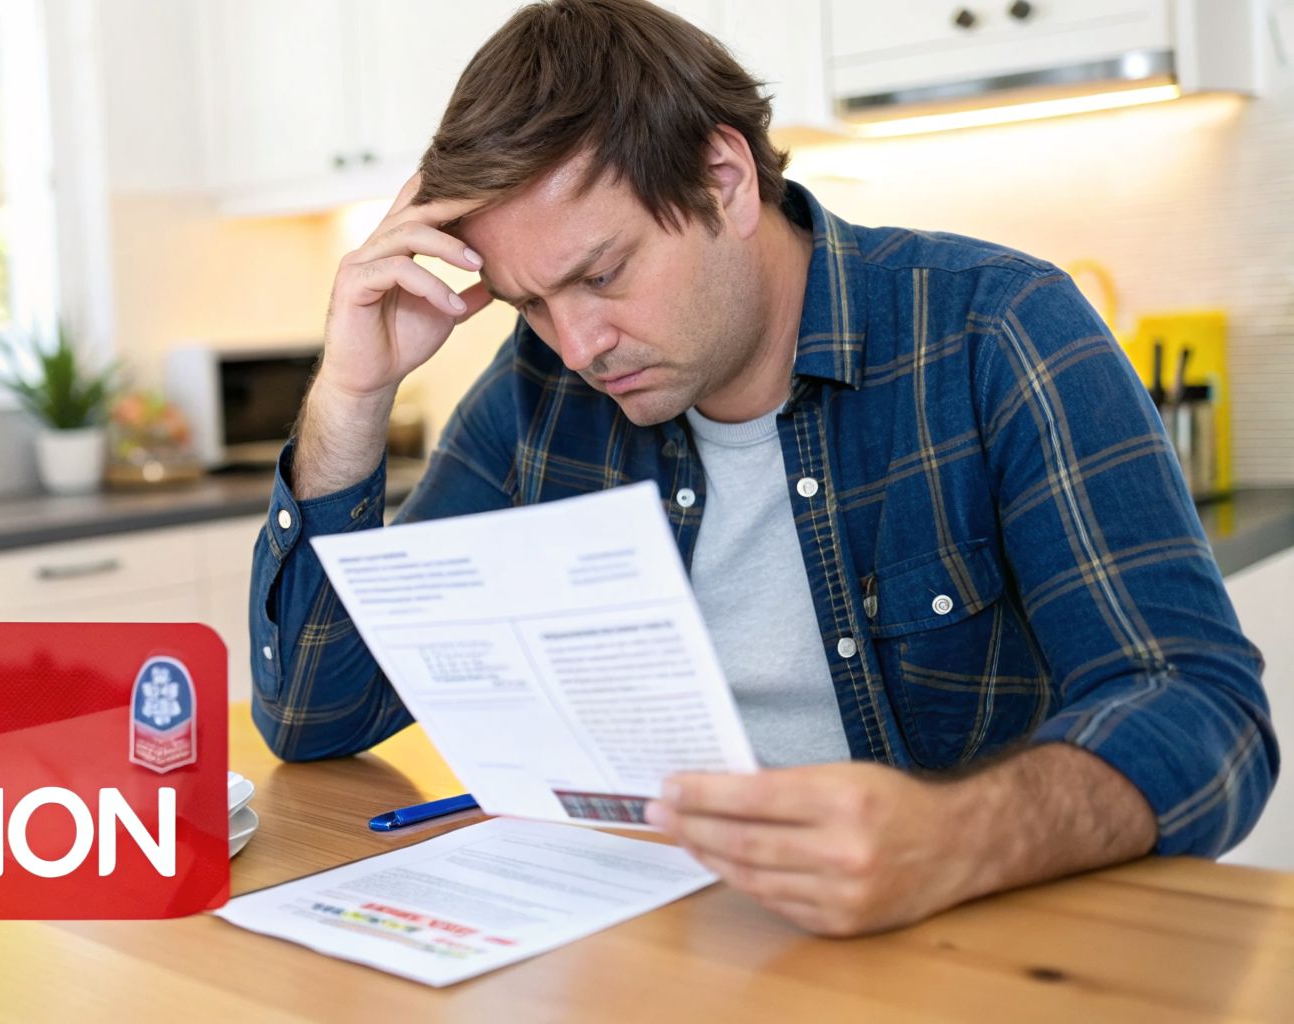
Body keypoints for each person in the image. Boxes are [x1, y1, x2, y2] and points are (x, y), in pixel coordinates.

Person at [245, 0, 1277, 936]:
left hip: (960, 946)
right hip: (651, 949)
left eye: (599, 274)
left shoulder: (993, 330)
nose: (576, 344)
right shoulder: (538, 392)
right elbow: (313, 717)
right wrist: (348, 398)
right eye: (533, 304)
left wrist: (952, 835)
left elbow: (1199, 708)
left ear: (722, 181)